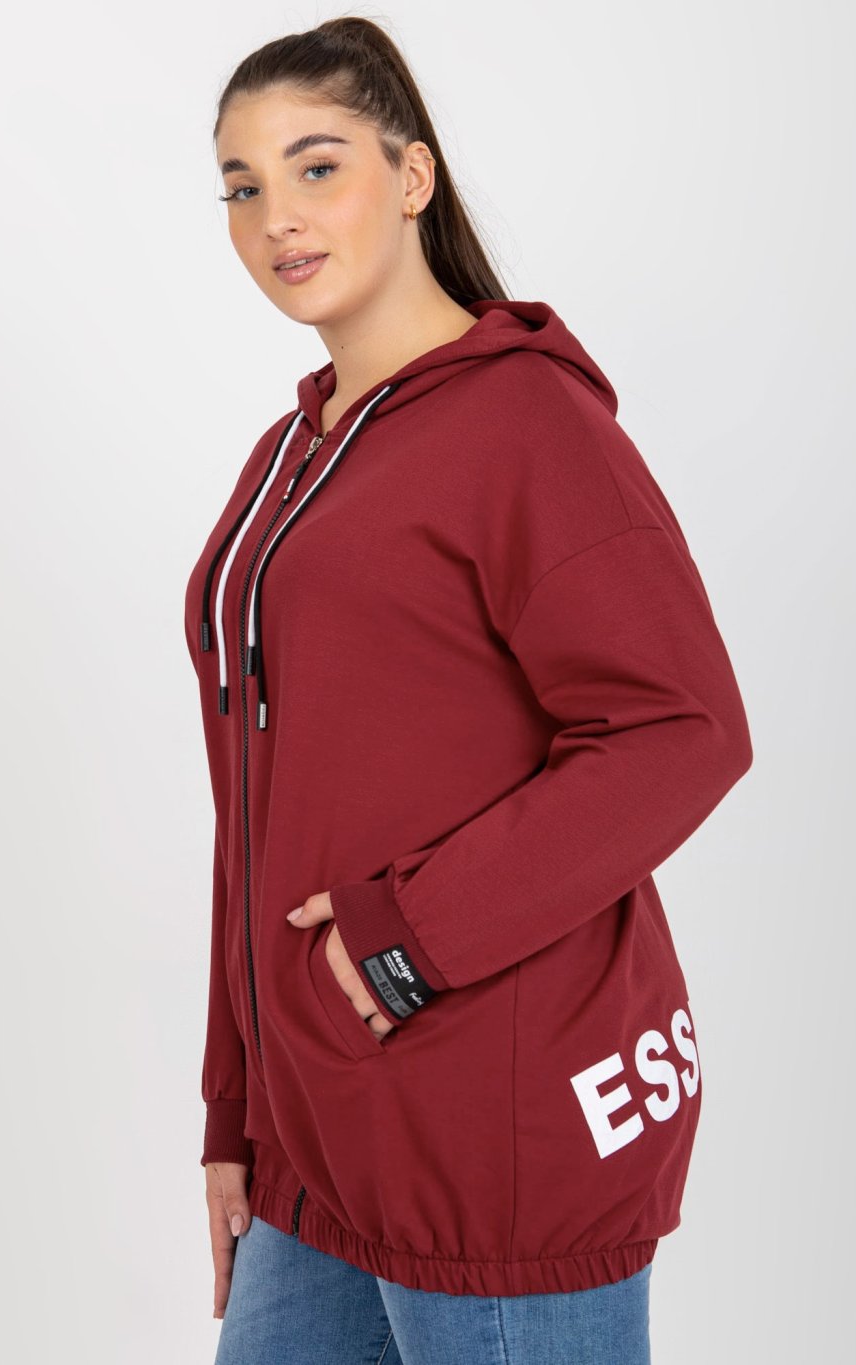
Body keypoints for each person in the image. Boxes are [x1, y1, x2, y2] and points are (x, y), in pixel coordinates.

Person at [183, 16, 754, 1365]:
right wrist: (234, 1113)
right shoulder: (293, 452)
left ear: (413, 176)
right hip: (320, 1144)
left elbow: (683, 730)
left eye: (317, 166)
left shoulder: (524, 424)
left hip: (494, 1134)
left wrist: (412, 935)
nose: (276, 216)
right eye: (242, 186)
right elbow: (256, 799)